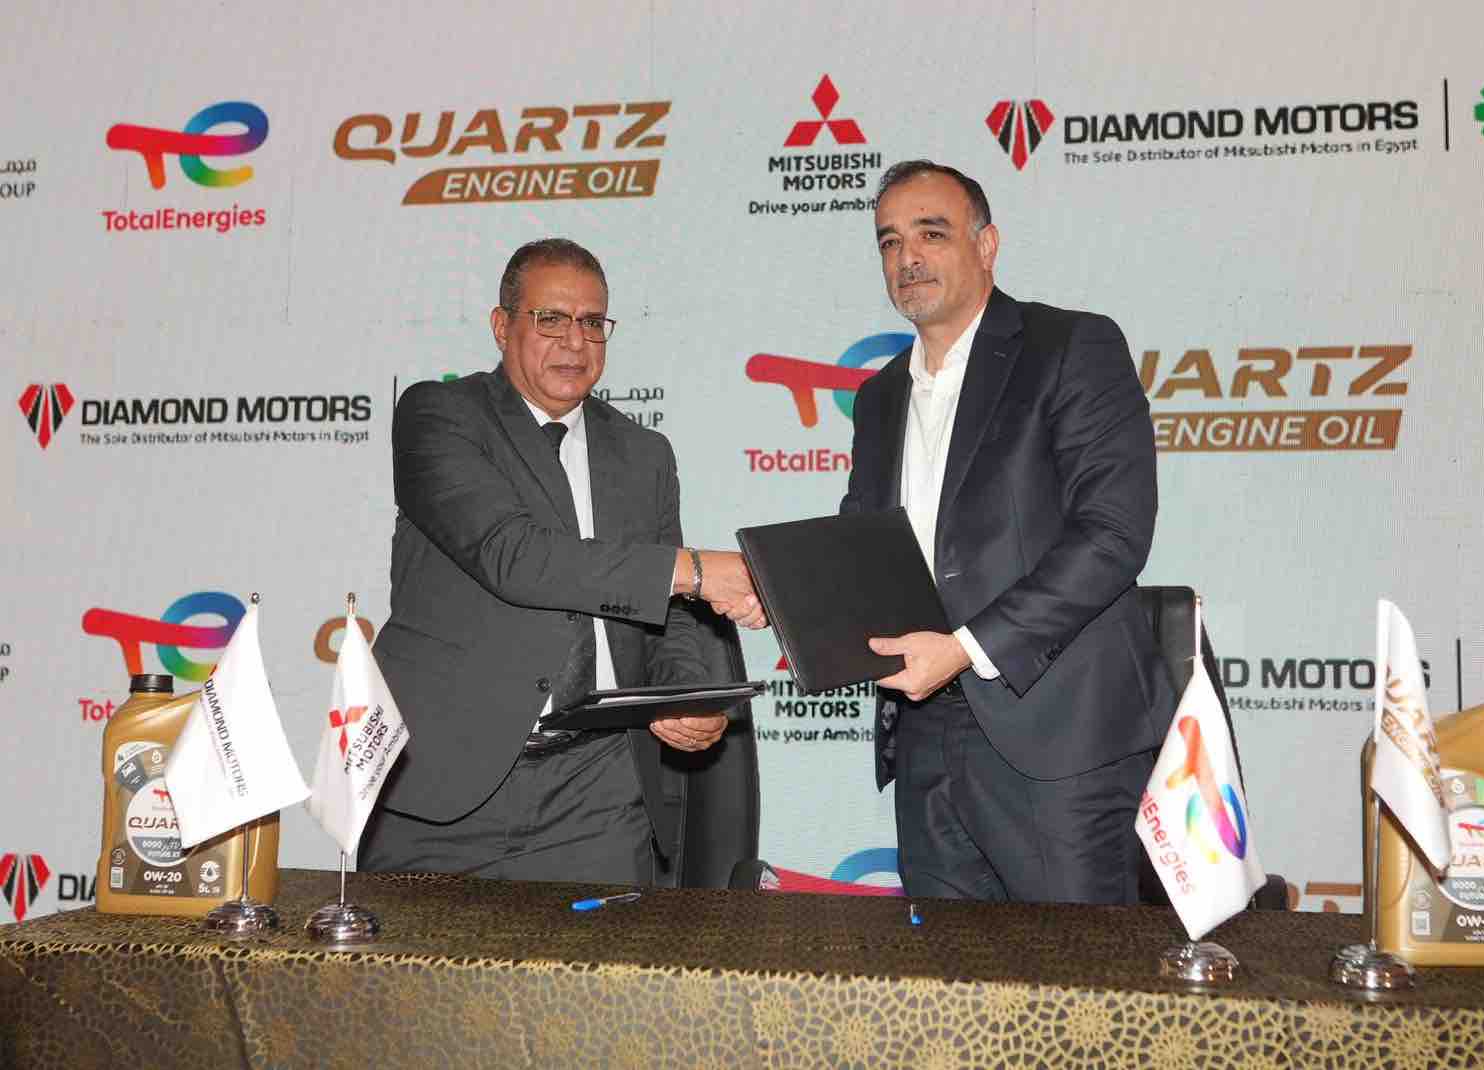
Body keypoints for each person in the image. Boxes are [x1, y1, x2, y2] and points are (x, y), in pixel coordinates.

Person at [360, 238, 763, 885]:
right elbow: (515, 556)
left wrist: (682, 696)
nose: (575, 341)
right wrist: (692, 568)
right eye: (550, 319)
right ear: (502, 326)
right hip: (445, 791)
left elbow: (671, 618)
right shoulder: (439, 416)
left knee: (603, 957)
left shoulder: (644, 454)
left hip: (598, 792)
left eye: (592, 322)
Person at [841, 160, 1178, 904]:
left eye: (931, 233)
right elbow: (861, 549)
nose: (907, 257)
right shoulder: (879, 396)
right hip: (924, 737)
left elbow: (1113, 533)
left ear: (987, 245)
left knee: (1078, 974)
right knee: (945, 973)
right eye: (890, 241)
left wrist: (966, 648)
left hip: (1059, 739)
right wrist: (781, 593)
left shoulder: (1070, 347)